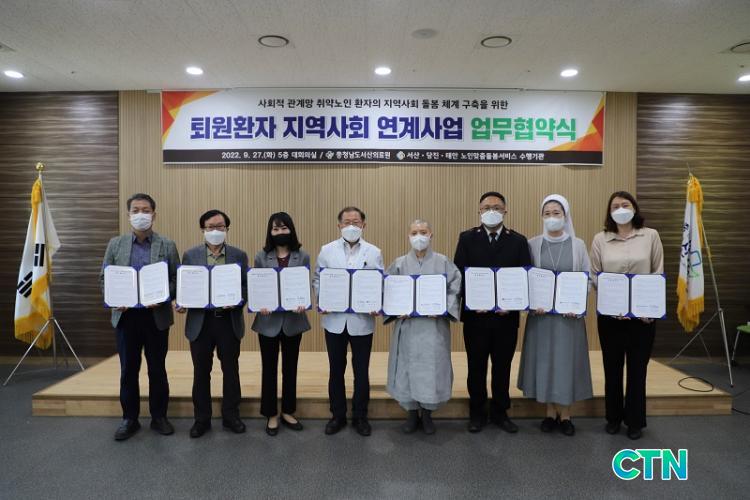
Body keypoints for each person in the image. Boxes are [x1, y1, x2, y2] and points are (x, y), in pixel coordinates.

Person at [100, 193, 180, 441]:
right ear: (128, 215)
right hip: (126, 318)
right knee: (128, 370)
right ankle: (129, 419)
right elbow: (104, 278)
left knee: (157, 369)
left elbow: (177, 278)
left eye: (146, 210)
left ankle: (159, 417)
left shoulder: (167, 244)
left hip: (156, 316)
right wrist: (115, 299)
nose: (141, 214)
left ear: (154, 215)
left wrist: (164, 296)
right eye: (136, 210)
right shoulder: (116, 244)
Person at [454, 191, 532, 433]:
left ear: (505, 211)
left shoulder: (518, 241)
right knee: (476, 367)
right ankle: (477, 413)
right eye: (486, 207)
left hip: (506, 319)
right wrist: (471, 300)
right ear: (479, 211)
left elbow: (525, 278)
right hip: (476, 318)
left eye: (497, 207)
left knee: (502, 368)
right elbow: (459, 275)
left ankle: (500, 412)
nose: (491, 211)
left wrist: (513, 304)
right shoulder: (467, 238)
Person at [517, 194, 593, 436]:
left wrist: (577, 302)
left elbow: (588, 278)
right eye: (547, 213)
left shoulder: (578, 245)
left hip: (568, 319)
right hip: (541, 318)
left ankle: (566, 414)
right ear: (542, 216)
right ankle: (549, 412)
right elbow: (525, 279)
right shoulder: (532, 244)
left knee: (565, 363)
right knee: (545, 363)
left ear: (566, 215)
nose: (552, 218)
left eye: (556, 213)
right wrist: (531, 302)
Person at [590, 191, 664, 440]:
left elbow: (657, 272)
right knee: (612, 369)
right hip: (611, 318)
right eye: (615, 206)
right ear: (609, 212)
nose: (621, 209)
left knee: (637, 370)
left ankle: (634, 421)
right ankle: (613, 418)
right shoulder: (600, 239)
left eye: (625, 204)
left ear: (634, 208)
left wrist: (648, 309)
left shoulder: (650, 235)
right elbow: (595, 275)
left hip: (642, 319)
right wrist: (613, 304)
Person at [384, 219, 461, 435]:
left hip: (433, 326)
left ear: (431, 235)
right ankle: (411, 413)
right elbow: (387, 290)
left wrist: (442, 308)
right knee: (406, 367)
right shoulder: (399, 264)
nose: (419, 236)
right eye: (415, 232)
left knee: (432, 368)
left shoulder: (443, 262)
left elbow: (455, 289)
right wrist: (394, 308)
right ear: (409, 236)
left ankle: (427, 414)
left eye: (423, 232)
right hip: (408, 327)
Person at [312, 206, 383, 436]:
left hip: (362, 322)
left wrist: (377, 302)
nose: (351, 226)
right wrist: (322, 299)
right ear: (339, 225)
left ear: (364, 225)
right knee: (336, 370)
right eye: (346, 222)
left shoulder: (374, 252)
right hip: (334, 321)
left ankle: (360, 416)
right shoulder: (327, 250)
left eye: (356, 222)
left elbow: (379, 282)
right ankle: (338, 415)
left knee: (361, 371)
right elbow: (317, 278)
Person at [177, 209, 248, 438]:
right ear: (203, 229)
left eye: (220, 227)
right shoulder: (190, 255)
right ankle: (201, 419)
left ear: (227, 229)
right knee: (201, 372)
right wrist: (181, 301)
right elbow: (185, 285)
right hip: (200, 322)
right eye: (210, 227)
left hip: (228, 321)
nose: (215, 231)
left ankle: (231, 416)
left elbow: (246, 287)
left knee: (231, 371)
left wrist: (237, 300)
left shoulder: (238, 255)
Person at [251, 212, 310, 436]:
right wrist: (260, 303)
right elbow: (258, 286)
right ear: (270, 232)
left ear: (291, 230)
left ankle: (288, 411)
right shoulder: (261, 256)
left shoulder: (302, 256)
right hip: (268, 321)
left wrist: (303, 302)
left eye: (284, 228)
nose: (280, 232)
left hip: (294, 321)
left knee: (290, 368)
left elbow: (304, 286)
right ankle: (271, 414)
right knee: (269, 368)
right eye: (275, 229)